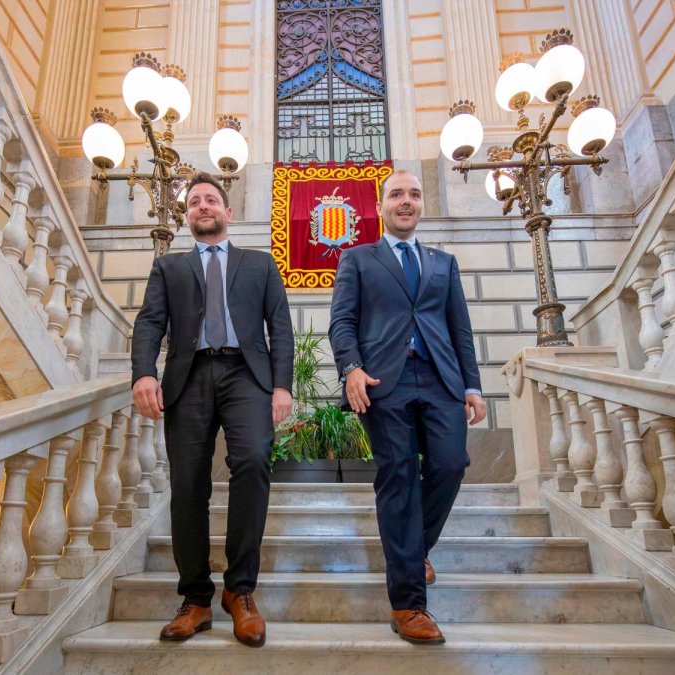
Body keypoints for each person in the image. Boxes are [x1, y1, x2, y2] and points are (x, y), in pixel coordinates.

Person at [131, 172, 294, 648]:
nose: (203, 206)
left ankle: (240, 591)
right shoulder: (170, 268)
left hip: (248, 376)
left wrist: (281, 386)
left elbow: (279, 330)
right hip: (189, 376)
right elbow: (149, 323)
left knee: (252, 463)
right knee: (187, 486)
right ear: (186, 216)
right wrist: (144, 373)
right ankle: (197, 598)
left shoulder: (260, 265)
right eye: (195, 202)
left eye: (211, 200)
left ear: (227, 212)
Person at [328, 169, 486, 645]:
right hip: (383, 380)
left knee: (451, 463)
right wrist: (351, 368)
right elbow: (342, 322)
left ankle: (414, 548)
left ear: (421, 205)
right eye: (397, 194)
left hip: (440, 378)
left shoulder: (444, 262)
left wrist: (472, 387)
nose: (406, 201)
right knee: (397, 474)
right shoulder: (358, 259)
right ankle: (408, 604)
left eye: (414, 194)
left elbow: (459, 329)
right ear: (380, 206)